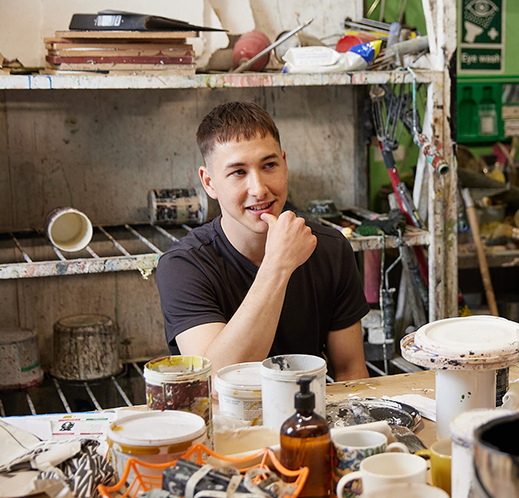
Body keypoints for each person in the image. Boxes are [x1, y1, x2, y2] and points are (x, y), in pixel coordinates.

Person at [156, 101, 370, 381]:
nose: (259, 189)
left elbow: (350, 370)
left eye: (269, 165)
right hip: (225, 420)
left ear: (284, 164)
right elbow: (214, 382)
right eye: (238, 172)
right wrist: (278, 265)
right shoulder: (183, 266)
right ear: (209, 183)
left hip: (305, 414)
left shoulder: (329, 248)